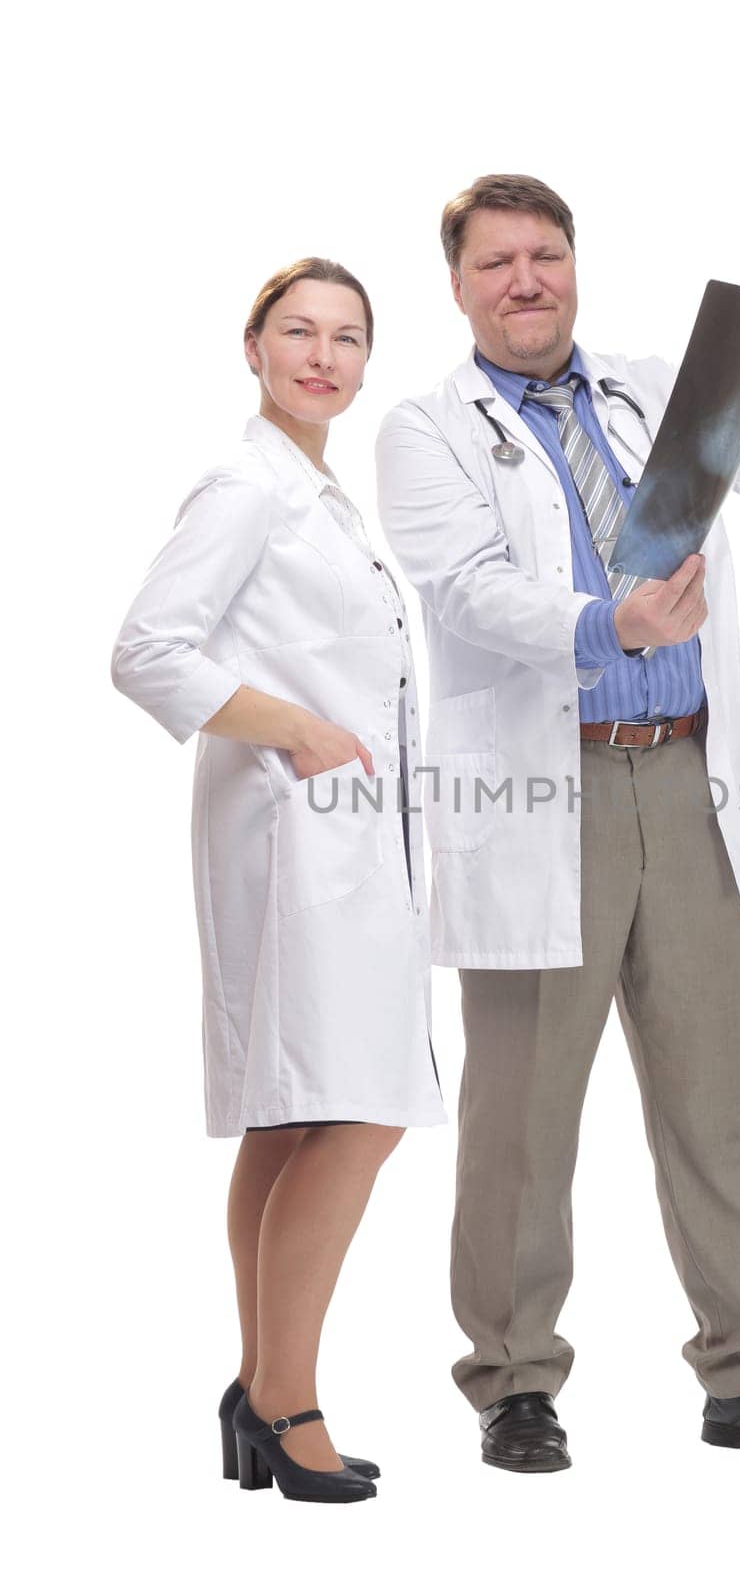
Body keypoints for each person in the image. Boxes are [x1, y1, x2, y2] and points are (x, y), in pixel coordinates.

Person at [375, 175, 740, 1470]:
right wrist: (610, 625)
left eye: (544, 254)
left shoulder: (653, 386)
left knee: (716, 1097)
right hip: (545, 791)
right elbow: (468, 593)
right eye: (496, 263)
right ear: (458, 284)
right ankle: (512, 1379)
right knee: (523, 1116)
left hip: (689, 782)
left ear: (573, 265)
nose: (524, 280)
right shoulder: (425, 432)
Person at [111, 257, 444, 1504]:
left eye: (348, 337)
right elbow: (145, 648)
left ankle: (260, 1385)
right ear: (251, 348)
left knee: (300, 1113)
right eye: (297, 332)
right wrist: (291, 727)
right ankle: (283, 1397)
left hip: (340, 848)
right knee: (352, 1110)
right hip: (294, 839)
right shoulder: (247, 487)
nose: (323, 355)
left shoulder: (317, 492)